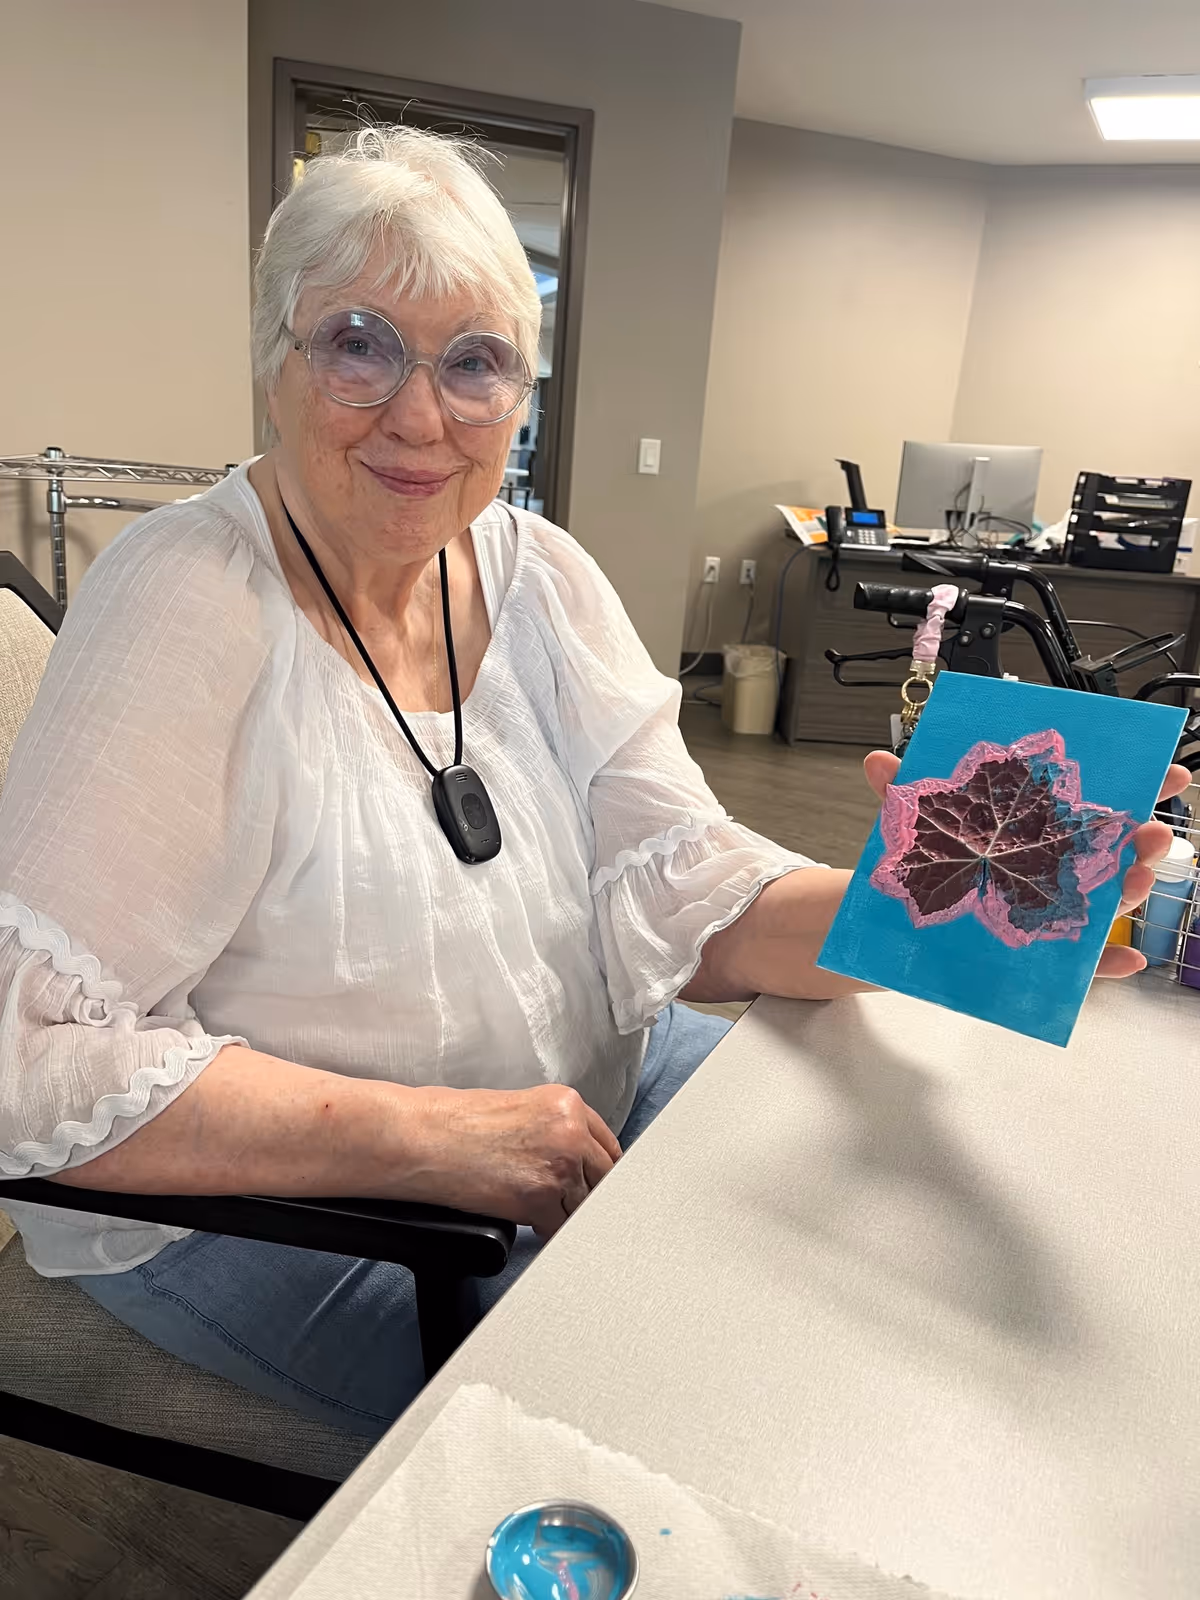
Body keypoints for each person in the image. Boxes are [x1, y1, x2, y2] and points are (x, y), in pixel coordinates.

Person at [0, 128, 1184, 1444]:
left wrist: (925, 905)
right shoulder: (185, 605)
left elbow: (679, 874)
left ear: (522, 392)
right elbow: (26, 1056)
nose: (418, 413)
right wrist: (424, 1138)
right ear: (275, 358)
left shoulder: (535, 569)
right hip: (300, 1204)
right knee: (706, 1414)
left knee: (888, 1278)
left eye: (475, 362)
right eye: (357, 342)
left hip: (579, 1093)